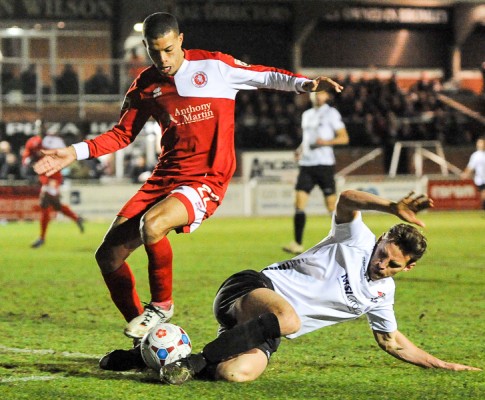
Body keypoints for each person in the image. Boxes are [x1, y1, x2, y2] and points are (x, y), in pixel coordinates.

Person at [33, 12, 343, 341]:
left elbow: (264, 76)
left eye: (168, 49)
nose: (163, 59)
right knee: (108, 256)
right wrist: (74, 151)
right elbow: (122, 134)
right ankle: (146, 337)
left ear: (180, 40)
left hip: (206, 178)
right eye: (155, 52)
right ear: (146, 48)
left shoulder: (215, 67)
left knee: (152, 225)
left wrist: (305, 84)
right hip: (165, 177)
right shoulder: (146, 85)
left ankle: (162, 305)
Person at [98, 189, 480, 383]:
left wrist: (441, 364)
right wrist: (392, 205)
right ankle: (197, 359)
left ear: (407, 268)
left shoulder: (382, 295)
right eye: (382, 253)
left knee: (236, 374)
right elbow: (346, 199)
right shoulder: (356, 238)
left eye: (392, 264)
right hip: (249, 289)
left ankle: (149, 360)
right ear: (379, 239)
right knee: (291, 319)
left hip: (266, 327)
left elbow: (392, 341)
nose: (381, 263)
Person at [283, 90, 349, 254]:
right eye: (315, 93)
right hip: (307, 164)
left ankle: (344, 242)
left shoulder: (331, 113)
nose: (318, 96)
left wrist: (326, 142)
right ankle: (297, 243)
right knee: (298, 203)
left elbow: (344, 138)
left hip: (324, 164)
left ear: (327, 97)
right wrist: (300, 149)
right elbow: (307, 138)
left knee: (331, 206)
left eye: (321, 93)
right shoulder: (307, 114)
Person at [22, 120, 84, 248]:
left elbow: (64, 156)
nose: (41, 130)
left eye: (42, 127)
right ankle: (75, 217)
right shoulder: (33, 142)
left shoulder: (54, 141)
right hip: (43, 176)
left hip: (54, 177)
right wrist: (31, 161)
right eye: (38, 127)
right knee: (53, 206)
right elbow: (26, 158)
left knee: (45, 200)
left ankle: (42, 237)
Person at [461, 136, 485, 210]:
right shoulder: (475, 155)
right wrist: (465, 174)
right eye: (479, 143)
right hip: (480, 179)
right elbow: (470, 167)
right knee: (484, 194)